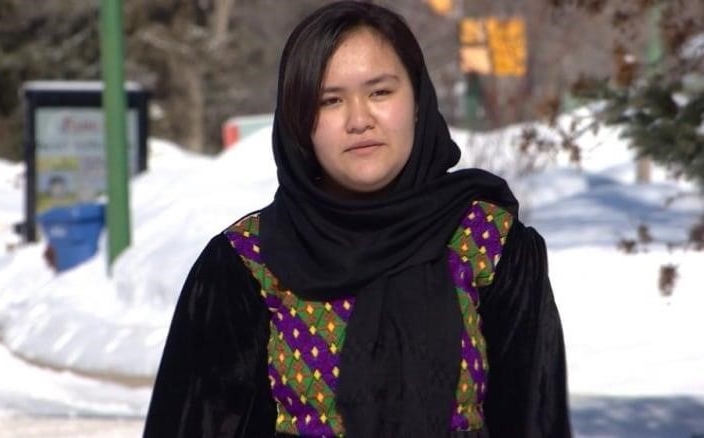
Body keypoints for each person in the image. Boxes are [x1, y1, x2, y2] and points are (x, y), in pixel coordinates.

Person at [143, 2, 571, 437]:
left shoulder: (489, 245)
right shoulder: (246, 262)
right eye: (330, 101)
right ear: (299, 121)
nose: (359, 120)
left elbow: (534, 420)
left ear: (418, 100)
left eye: (381, 92)